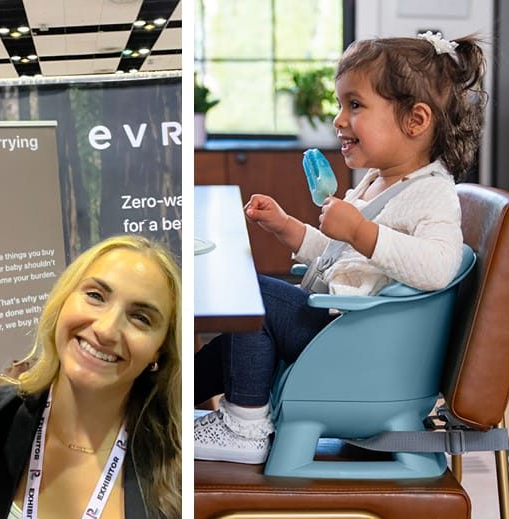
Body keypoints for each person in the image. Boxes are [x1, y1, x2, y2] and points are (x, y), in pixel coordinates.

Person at [194, 32, 487, 464]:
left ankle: (245, 425)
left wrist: (360, 232)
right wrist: (286, 226)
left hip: (358, 346)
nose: (338, 120)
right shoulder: (375, 182)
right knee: (235, 334)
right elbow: (335, 255)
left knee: (250, 297)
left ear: (416, 120)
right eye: (341, 105)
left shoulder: (434, 194)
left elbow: (439, 266)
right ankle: (162, 402)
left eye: (355, 105)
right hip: (339, 331)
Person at [0, 235, 182, 518]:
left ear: (158, 351)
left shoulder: (177, 475)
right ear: (62, 301)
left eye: (140, 318)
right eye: (95, 296)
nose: (106, 330)